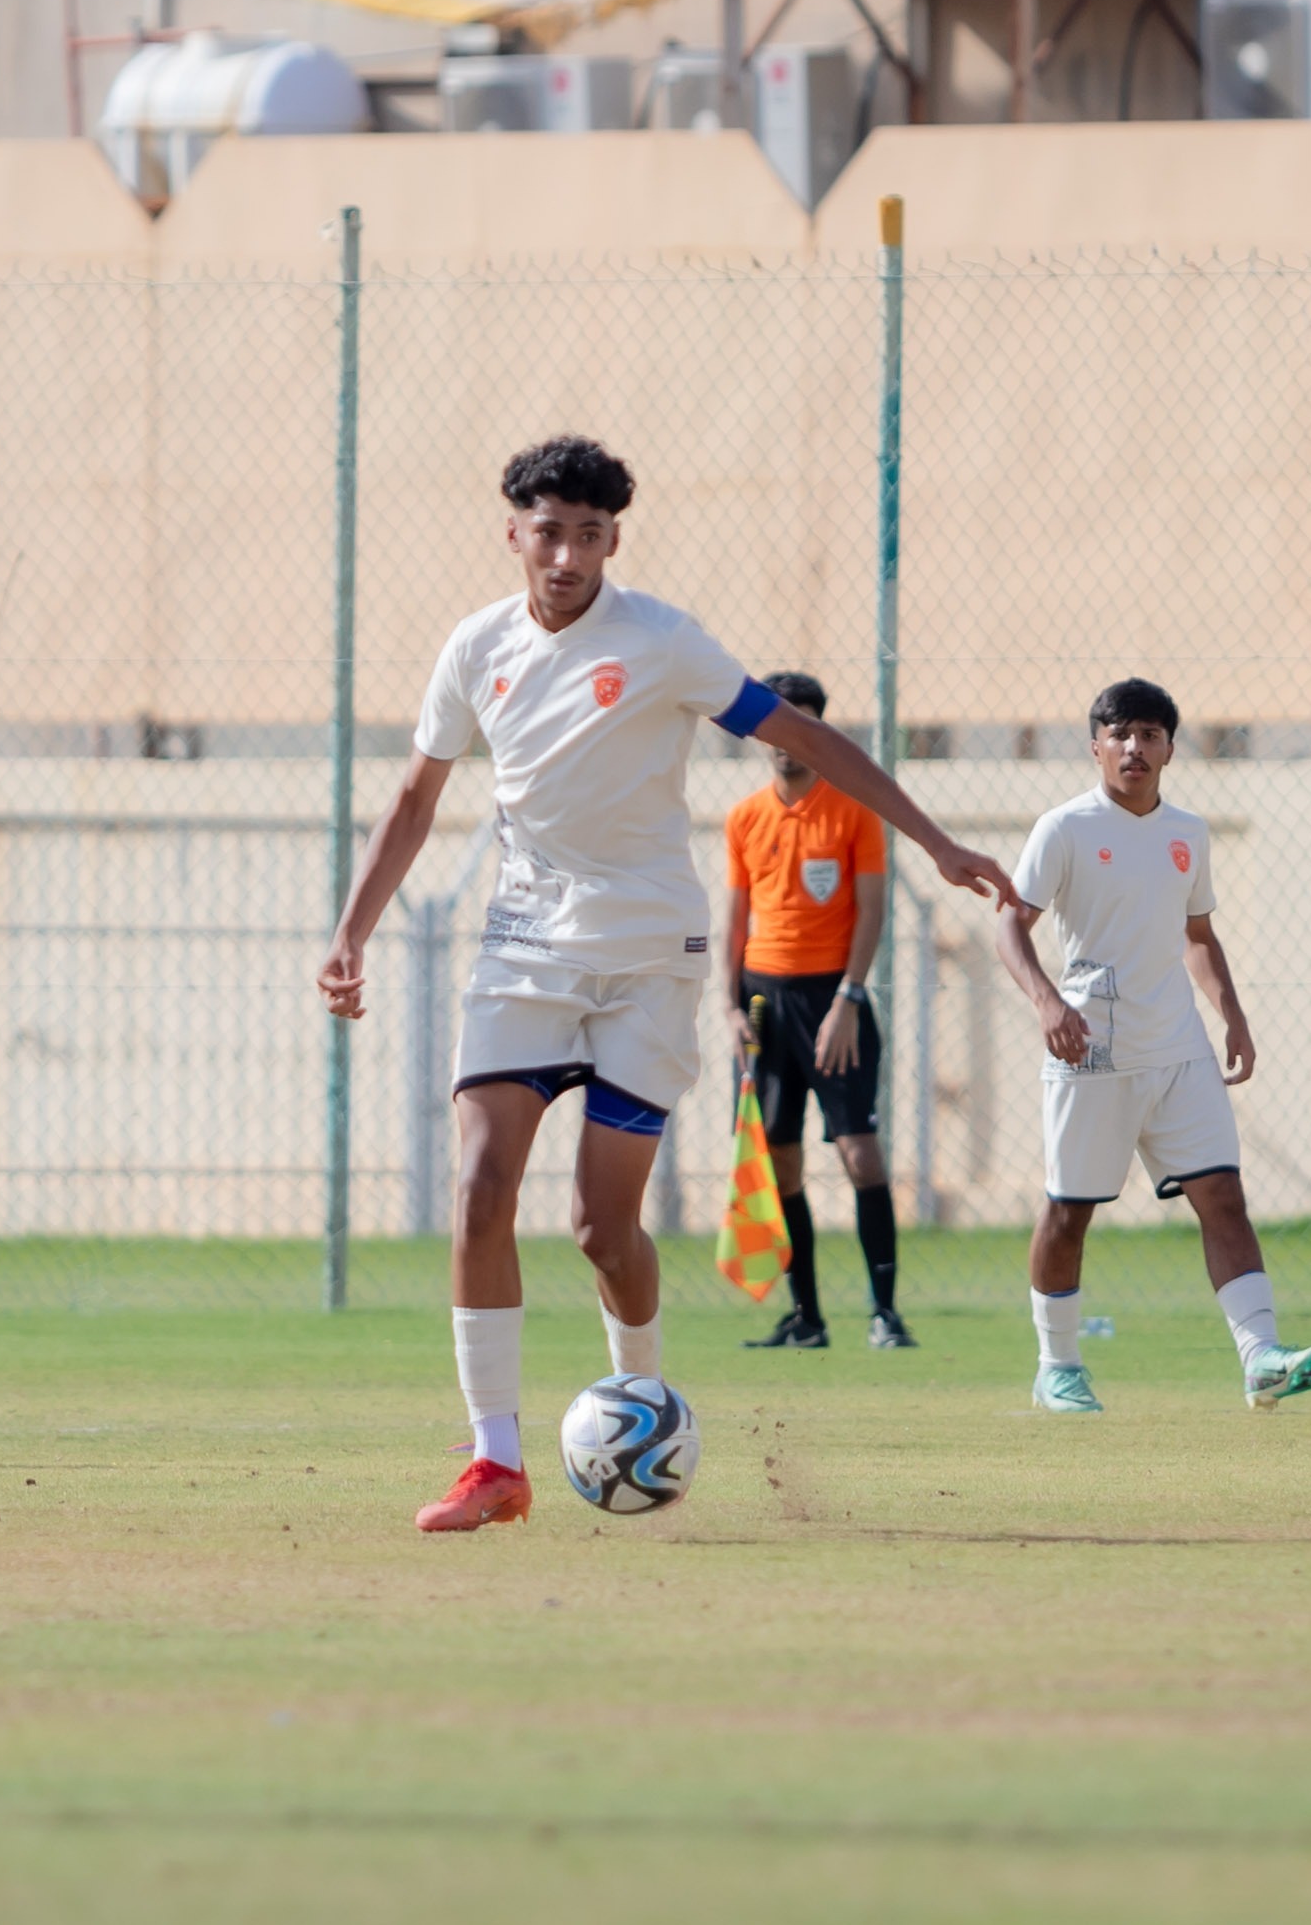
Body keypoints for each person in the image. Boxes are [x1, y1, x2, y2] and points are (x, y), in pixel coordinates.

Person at [320, 436, 1011, 1532]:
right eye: (547, 531)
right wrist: (352, 930)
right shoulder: (474, 648)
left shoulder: (659, 640)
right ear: (513, 531)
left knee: (603, 1228)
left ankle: (639, 1395)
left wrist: (933, 842)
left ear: (612, 542)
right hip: (523, 948)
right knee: (480, 1187)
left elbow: (807, 737)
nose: (565, 555)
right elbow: (413, 798)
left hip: (647, 957)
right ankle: (495, 1462)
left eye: (588, 536)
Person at [994, 679, 1311, 1415]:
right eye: (1118, 733)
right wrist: (1047, 1001)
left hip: (1177, 1048)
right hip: (1090, 1048)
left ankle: (1261, 1360)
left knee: (1223, 1195)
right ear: (1094, 747)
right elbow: (1008, 927)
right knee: (1067, 1212)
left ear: (1170, 749)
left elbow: (1197, 935)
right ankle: (1056, 1367)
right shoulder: (1063, 828)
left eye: (1149, 734)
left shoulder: (1189, 831)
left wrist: (1232, 1015)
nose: (1133, 747)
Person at [718, 668, 909, 1352]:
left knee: (859, 1154)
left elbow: (872, 910)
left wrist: (849, 999)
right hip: (765, 1001)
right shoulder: (743, 817)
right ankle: (807, 1318)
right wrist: (729, 1006)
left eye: (798, 723)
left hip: (834, 1000)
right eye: (772, 725)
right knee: (780, 1159)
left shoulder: (852, 806)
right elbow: (735, 918)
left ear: (817, 730)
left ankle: (883, 1313)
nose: (782, 740)